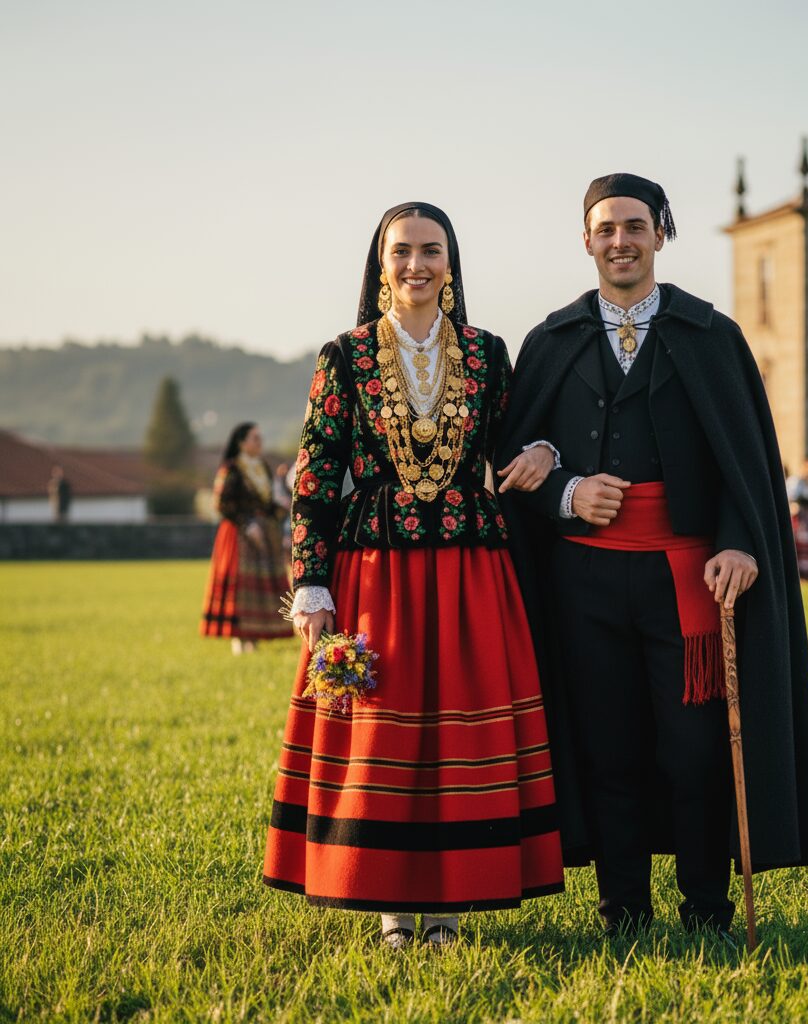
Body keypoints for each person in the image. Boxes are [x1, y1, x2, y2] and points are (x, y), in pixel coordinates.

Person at [498, 173, 808, 942]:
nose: (621, 241)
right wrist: (566, 489)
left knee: (693, 753)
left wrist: (742, 542)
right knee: (609, 748)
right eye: (606, 228)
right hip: (581, 580)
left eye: (636, 227)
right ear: (586, 240)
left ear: (661, 234)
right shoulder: (548, 342)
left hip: (688, 580)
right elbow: (511, 462)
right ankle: (623, 911)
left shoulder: (711, 336)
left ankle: (706, 909)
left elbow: (743, 460)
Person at [262, 203, 564, 949]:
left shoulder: (490, 355)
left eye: (431, 251)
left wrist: (548, 453)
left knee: (458, 737)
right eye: (401, 252)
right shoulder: (345, 356)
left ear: (451, 263)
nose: (416, 265)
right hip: (374, 576)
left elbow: (522, 436)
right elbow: (315, 476)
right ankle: (395, 906)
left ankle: (453, 906)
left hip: (471, 573)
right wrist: (310, 581)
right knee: (385, 739)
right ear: (380, 264)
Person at [200, 422, 294, 653]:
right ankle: (240, 638)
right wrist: (246, 523)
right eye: (254, 438)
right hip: (240, 534)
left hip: (265, 534)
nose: (259, 442)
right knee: (241, 584)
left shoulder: (261, 466)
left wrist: (282, 508)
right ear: (241, 442)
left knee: (260, 583)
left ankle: (256, 634)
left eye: (260, 437)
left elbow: (266, 501)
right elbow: (221, 503)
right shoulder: (231, 469)